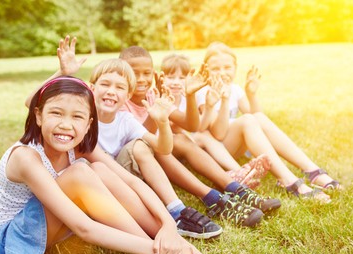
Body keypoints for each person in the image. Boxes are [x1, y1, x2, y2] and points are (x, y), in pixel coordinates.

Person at [0, 75, 206, 254]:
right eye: (56, 113)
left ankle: (183, 250)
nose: (66, 125)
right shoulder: (25, 157)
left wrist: (168, 226)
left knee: (100, 170)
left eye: (77, 117)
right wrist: (154, 249)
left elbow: (132, 182)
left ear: (89, 123)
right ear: (38, 116)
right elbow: (84, 228)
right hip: (11, 238)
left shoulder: (79, 145)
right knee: (80, 174)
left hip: (54, 223)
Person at [118, 46, 280, 227]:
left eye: (146, 73)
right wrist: (157, 116)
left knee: (180, 139)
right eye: (134, 73)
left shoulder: (153, 94)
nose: (141, 79)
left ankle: (236, 189)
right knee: (158, 145)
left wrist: (190, 95)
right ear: (121, 73)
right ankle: (213, 198)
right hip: (134, 161)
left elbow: (192, 125)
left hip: (158, 154)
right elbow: (136, 136)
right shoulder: (119, 97)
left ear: (153, 73)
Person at [194, 42, 343, 203]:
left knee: (254, 118)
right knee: (248, 120)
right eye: (216, 69)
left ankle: (313, 171)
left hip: (234, 144)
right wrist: (224, 100)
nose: (222, 73)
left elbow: (258, 118)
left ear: (235, 68)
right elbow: (218, 133)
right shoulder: (204, 92)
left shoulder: (235, 89)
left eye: (227, 67)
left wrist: (251, 94)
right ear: (206, 70)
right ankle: (289, 181)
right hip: (219, 152)